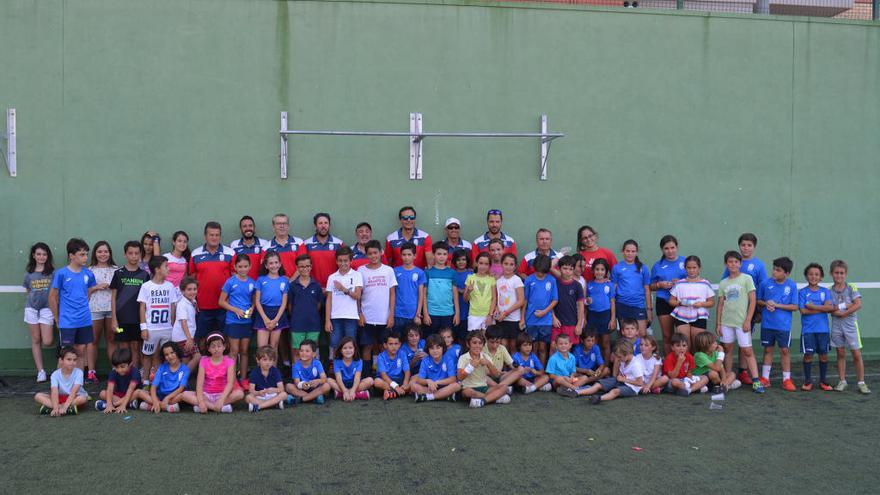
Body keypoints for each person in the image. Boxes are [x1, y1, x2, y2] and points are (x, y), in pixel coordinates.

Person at [722, 233, 768, 387]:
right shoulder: (729, 269)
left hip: (749, 310)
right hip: (730, 314)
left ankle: (744, 371)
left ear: (754, 247)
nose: (746, 247)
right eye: (743, 245)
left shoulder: (759, 265)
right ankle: (731, 374)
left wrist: (759, 309)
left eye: (749, 245)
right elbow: (724, 289)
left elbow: (761, 286)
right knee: (729, 345)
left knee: (745, 344)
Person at [716, 250, 763, 393]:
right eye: (730, 262)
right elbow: (720, 304)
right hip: (726, 323)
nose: (733, 264)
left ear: (740, 264)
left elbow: (753, 300)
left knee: (747, 350)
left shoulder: (746, 278)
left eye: (736, 262)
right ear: (726, 264)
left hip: (741, 323)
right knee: (727, 349)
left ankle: (756, 381)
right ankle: (728, 378)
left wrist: (748, 320)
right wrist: (718, 324)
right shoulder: (723, 282)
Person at [49, 238, 96, 372]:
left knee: (80, 351)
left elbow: (88, 293)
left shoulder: (88, 274)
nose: (85, 257)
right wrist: (57, 318)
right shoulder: (61, 274)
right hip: (67, 321)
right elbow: (52, 297)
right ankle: (60, 387)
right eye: (82, 254)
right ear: (71, 256)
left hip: (84, 320)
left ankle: (78, 384)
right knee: (66, 354)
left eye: (86, 254)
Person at [756, 257, 798, 391]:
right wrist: (766, 303)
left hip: (783, 326)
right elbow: (758, 301)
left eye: (778, 270)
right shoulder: (765, 283)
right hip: (767, 324)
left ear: (787, 273)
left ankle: (786, 379)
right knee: (768, 349)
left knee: (784, 350)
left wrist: (777, 305)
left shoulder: (791, 285)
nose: (774, 272)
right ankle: (765, 378)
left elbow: (794, 306)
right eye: (774, 269)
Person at [138, 255, 180, 390]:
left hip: (167, 328)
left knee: (164, 355)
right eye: (166, 266)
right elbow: (142, 307)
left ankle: (160, 379)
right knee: (147, 355)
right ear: (157, 269)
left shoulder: (170, 286)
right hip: (151, 328)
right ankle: (145, 381)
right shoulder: (146, 286)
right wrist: (143, 327)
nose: (169, 269)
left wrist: (173, 326)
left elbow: (173, 307)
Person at [189, 222, 234, 343]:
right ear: (205, 236)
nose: (214, 238)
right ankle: (203, 361)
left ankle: (226, 361)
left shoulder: (230, 253)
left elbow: (235, 279)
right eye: (211, 235)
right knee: (203, 338)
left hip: (225, 305)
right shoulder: (195, 254)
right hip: (203, 306)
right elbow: (192, 280)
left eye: (217, 235)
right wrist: (194, 300)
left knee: (225, 338)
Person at [828, 260, 869, 394]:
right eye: (836, 273)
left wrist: (845, 311)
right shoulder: (829, 291)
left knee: (856, 354)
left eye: (842, 273)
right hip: (836, 325)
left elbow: (857, 304)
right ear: (831, 274)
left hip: (850, 325)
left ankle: (861, 382)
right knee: (840, 353)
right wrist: (846, 305)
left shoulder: (852, 287)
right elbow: (829, 308)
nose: (839, 275)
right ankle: (842, 381)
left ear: (846, 274)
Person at [357, 240, 396, 376]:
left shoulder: (388, 270)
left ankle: (382, 375)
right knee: (367, 347)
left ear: (381, 253)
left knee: (383, 347)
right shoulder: (361, 270)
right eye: (370, 253)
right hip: (367, 317)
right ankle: (367, 376)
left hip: (384, 317)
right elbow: (358, 294)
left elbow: (392, 293)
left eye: (375, 253)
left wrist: (391, 315)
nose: (373, 256)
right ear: (366, 254)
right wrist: (359, 313)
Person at [110, 241, 151, 371]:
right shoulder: (118, 273)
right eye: (130, 253)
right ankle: (123, 371)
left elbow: (147, 300)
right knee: (123, 345)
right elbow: (113, 297)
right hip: (121, 320)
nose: (134, 256)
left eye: (136, 253)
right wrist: (114, 319)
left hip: (138, 319)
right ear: (125, 254)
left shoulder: (145, 275)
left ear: (140, 254)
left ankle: (135, 371)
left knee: (136, 345)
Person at [180, 333, 244, 413]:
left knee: (239, 393)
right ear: (208, 349)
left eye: (219, 346)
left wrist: (221, 399)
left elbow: (230, 383)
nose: (216, 349)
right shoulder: (204, 361)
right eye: (213, 346)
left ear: (224, 347)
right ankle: (216, 407)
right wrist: (201, 401)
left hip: (223, 394)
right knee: (184, 395)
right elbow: (199, 384)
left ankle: (209, 406)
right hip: (206, 395)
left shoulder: (229, 361)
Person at [218, 254, 256, 387]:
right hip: (233, 321)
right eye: (240, 266)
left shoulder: (253, 283)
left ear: (250, 267)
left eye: (245, 266)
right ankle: (232, 381)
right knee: (233, 352)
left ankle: (244, 379)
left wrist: (252, 308)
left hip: (246, 322)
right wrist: (236, 310)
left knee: (244, 351)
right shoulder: (230, 282)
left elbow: (254, 301)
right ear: (235, 267)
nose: (243, 269)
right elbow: (221, 302)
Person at [799, 263, 834, 392]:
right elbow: (803, 311)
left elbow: (830, 308)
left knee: (823, 356)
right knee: (808, 355)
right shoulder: (803, 292)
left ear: (821, 277)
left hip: (823, 330)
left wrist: (813, 306)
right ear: (806, 276)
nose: (813, 277)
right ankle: (808, 381)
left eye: (816, 274)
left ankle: (823, 381)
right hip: (808, 330)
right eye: (811, 274)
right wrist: (822, 308)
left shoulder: (825, 291)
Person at [668, 255, 715, 350]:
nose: (691, 270)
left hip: (699, 316)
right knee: (684, 344)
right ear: (685, 268)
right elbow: (671, 301)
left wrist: (701, 304)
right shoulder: (679, 284)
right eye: (689, 268)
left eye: (694, 267)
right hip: (681, 315)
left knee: (698, 344)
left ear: (699, 268)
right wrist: (680, 303)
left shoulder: (705, 284)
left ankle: (697, 364)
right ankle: (686, 364)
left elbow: (711, 302)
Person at [23, 242, 55, 382]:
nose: (42, 257)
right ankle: (40, 371)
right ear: (34, 256)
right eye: (39, 254)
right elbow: (28, 290)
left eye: (44, 254)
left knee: (47, 341)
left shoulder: (52, 273)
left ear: (48, 256)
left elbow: (55, 293)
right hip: (31, 308)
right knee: (36, 339)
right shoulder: (29, 274)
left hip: (47, 309)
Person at [650, 235, 686, 354]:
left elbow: (694, 279)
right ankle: (668, 364)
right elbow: (651, 286)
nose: (670, 251)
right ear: (662, 250)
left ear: (677, 247)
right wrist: (660, 285)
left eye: (672, 247)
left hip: (681, 302)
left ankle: (684, 365)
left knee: (683, 336)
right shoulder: (657, 265)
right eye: (666, 248)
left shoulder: (685, 262)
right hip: (663, 301)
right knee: (667, 336)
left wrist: (681, 282)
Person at [325, 246, 363, 359]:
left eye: (345, 260)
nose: (343, 263)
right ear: (336, 261)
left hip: (351, 317)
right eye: (340, 261)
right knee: (335, 343)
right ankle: (335, 367)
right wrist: (327, 320)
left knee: (350, 345)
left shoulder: (357, 275)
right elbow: (329, 299)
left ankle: (351, 368)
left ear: (351, 261)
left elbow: (357, 296)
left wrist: (344, 289)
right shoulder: (332, 277)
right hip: (335, 317)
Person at [87, 240, 117, 382]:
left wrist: (113, 288)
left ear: (110, 253)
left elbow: (120, 291)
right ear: (95, 253)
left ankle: (115, 370)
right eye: (99, 251)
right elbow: (84, 292)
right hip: (94, 309)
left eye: (105, 251)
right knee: (93, 341)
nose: (103, 254)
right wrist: (96, 287)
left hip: (112, 310)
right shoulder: (89, 270)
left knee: (112, 339)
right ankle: (91, 371)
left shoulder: (116, 270)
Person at [457, 330, 511, 408]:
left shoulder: (485, 356)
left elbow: (496, 375)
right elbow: (459, 377)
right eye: (474, 343)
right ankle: (494, 398)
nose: (477, 346)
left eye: (480, 343)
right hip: (468, 388)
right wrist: (470, 367)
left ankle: (482, 401)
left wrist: (488, 364)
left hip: (484, 387)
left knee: (504, 387)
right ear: (468, 344)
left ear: (483, 345)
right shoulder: (463, 357)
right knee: (470, 393)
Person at [582, 340, 644, 405]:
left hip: (632, 388)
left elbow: (640, 383)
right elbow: (615, 375)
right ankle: (578, 392)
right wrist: (617, 362)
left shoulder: (636, 365)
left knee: (615, 391)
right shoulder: (623, 360)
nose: (618, 358)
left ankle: (599, 398)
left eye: (619, 357)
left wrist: (624, 379)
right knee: (599, 384)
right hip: (621, 381)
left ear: (627, 354)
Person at [611, 239, 651, 337]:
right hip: (622, 305)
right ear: (623, 251)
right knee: (625, 336)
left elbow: (647, 290)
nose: (630, 254)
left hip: (638, 305)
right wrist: (612, 310)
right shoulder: (617, 268)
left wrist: (649, 309)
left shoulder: (643, 268)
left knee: (642, 334)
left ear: (636, 252)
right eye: (627, 251)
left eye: (633, 251)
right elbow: (613, 289)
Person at [289, 254, 323, 364]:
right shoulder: (293, 286)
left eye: (307, 266)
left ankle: (311, 376)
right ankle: (297, 377)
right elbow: (290, 306)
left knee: (311, 351)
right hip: (297, 324)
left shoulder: (316, 285)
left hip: (313, 324)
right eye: (302, 267)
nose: (305, 269)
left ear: (311, 266)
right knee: (297, 351)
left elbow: (318, 304)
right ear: (297, 268)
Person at [523, 254, 557, 364]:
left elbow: (555, 300)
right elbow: (525, 300)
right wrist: (522, 318)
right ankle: (533, 369)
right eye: (538, 271)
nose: (540, 273)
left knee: (542, 347)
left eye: (543, 272)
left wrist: (544, 312)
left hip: (546, 320)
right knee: (533, 347)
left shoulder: (551, 280)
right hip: (531, 320)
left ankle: (541, 370)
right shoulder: (529, 280)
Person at [34, 346, 88, 416]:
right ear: (61, 360)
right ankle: (63, 408)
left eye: (74, 360)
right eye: (69, 359)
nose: (72, 362)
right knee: (38, 396)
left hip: (75, 397)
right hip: (60, 398)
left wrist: (65, 407)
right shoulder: (55, 374)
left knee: (83, 399)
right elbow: (54, 391)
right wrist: (56, 408)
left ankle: (53, 407)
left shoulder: (79, 372)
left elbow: (74, 392)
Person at [254, 251, 289, 352]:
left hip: (278, 313)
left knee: (274, 347)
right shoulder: (261, 280)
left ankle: (273, 368)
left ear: (280, 263)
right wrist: (265, 319)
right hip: (263, 313)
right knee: (262, 348)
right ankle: (262, 368)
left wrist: (276, 320)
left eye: (276, 262)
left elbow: (284, 303)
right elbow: (257, 301)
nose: (274, 265)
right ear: (266, 265)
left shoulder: (284, 280)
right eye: (271, 263)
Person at [423, 242, 459, 337]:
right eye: (439, 254)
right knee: (432, 340)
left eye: (444, 254)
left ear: (448, 255)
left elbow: (455, 296)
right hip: (432, 313)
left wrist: (457, 313)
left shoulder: (452, 273)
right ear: (434, 255)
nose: (442, 257)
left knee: (446, 341)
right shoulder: (427, 273)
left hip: (448, 313)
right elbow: (424, 295)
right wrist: (425, 314)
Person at [300, 212, 345, 289]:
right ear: (315, 226)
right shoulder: (306, 244)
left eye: (326, 223)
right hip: (312, 287)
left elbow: (343, 266)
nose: (323, 226)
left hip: (334, 287)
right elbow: (303, 266)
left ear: (329, 225)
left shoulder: (339, 243)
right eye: (320, 223)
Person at [142, 342, 190, 413]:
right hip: (160, 397)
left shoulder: (185, 369)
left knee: (183, 395)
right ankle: (165, 406)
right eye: (166, 355)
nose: (170, 356)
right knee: (139, 392)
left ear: (177, 352)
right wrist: (155, 402)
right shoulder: (162, 367)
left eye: (172, 353)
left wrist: (167, 398)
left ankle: (152, 405)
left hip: (174, 397)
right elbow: (153, 387)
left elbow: (181, 388)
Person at [413, 334, 461, 402]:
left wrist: (437, 382)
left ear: (443, 348)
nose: (435, 351)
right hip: (430, 387)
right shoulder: (425, 360)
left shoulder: (448, 359)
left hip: (444, 385)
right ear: (428, 349)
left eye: (438, 348)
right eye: (432, 348)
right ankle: (444, 395)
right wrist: (428, 381)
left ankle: (429, 397)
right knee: (413, 386)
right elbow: (420, 380)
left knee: (457, 385)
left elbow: (452, 379)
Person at [552, 255, 585, 353]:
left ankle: (568, 369)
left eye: (571, 269)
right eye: (565, 268)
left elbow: (581, 306)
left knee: (568, 350)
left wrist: (579, 324)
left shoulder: (577, 286)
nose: (567, 271)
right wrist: (553, 317)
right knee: (553, 348)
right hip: (557, 323)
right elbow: (550, 303)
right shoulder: (555, 284)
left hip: (571, 323)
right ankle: (551, 369)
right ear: (559, 268)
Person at [585, 258, 615, 365]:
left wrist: (612, 319)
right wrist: (587, 302)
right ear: (593, 270)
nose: (599, 272)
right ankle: (595, 366)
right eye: (597, 269)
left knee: (605, 343)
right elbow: (585, 302)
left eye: (602, 269)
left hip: (605, 316)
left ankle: (605, 366)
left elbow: (612, 302)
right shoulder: (589, 285)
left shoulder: (609, 285)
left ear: (606, 271)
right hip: (593, 316)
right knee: (594, 343)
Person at [392, 243, 426, 335]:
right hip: (398, 313)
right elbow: (392, 293)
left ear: (414, 256)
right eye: (404, 255)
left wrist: (418, 314)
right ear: (401, 256)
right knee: (397, 339)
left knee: (412, 340)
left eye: (409, 255)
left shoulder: (420, 273)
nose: (406, 257)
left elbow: (421, 295)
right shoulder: (395, 271)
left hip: (413, 313)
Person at [494, 253, 525, 354]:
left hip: (513, 319)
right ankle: (503, 368)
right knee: (503, 345)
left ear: (515, 266)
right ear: (501, 264)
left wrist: (506, 312)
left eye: (511, 264)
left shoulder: (517, 280)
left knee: (513, 345)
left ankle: (514, 367)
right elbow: (497, 298)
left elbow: (521, 301)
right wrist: (497, 310)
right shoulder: (498, 280)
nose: (508, 266)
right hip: (501, 319)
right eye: (506, 263)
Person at [95, 347, 142, 413]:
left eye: (122, 367)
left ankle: (115, 405)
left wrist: (123, 405)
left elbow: (130, 390)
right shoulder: (113, 372)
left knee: (137, 392)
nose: (119, 370)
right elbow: (110, 389)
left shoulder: (135, 372)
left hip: (132, 395)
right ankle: (129, 404)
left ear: (131, 364)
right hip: (120, 395)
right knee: (102, 393)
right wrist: (109, 404)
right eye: (116, 367)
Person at [285, 339, 331, 404]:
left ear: (314, 354)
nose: (304, 353)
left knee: (327, 386)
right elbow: (296, 382)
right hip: (302, 389)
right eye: (301, 351)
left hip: (315, 388)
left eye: (307, 351)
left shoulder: (317, 363)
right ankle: (314, 397)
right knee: (288, 386)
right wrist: (302, 385)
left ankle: (302, 399)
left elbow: (324, 378)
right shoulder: (296, 365)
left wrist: (318, 381)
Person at [171, 277, 201, 371]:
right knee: (197, 356)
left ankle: (182, 380)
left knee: (185, 358)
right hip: (183, 337)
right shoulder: (182, 304)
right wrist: (189, 338)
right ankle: (183, 377)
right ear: (182, 291)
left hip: (186, 336)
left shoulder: (192, 301)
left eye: (194, 289)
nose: (193, 292)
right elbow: (183, 321)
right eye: (189, 289)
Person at [245, 346, 288, 412]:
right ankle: (274, 404)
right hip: (260, 396)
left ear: (273, 361)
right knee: (248, 397)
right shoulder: (254, 372)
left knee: (284, 394)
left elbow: (281, 389)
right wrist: (258, 393)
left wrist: (274, 389)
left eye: (270, 360)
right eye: (265, 359)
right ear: (258, 360)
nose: (268, 362)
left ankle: (259, 406)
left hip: (273, 395)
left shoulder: (275, 371)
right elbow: (251, 390)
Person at [483, 325, 526, 389]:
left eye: (497, 342)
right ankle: (502, 388)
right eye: (492, 342)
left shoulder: (502, 348)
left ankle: (499, 387)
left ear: (501, 340)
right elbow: (480, 371)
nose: (494, 345)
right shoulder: (481, 349)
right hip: (486, 377)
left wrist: (517, 368)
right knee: (481, 377)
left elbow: (511, 364)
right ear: (486, 339)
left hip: (500, 377)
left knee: (520, 370)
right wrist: (495, 372)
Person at [373, 332, 411, 400]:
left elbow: (407, 371)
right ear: (385, 345)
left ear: (400, 344)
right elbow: (383, 375)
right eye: (390, 344)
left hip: (400, 381)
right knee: (377, 382)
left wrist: (405, 383)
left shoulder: (402, 354)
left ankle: (391, 393)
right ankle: (396, 391)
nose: (394, 346)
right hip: (387, 381)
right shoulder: (381, 356)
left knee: (412, 382)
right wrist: (396, 387)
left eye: (396, 344)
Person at [464, 252, 496, 332]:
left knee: (487, 340)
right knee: (474, 339)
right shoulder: (470, 278)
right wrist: (468, 291)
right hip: (474, 315)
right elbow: (465, 299)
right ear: (476, 263)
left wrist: (490, 315)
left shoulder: (491, 279)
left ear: (489, 266)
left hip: (487, 315)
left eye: (486, 264)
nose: (483, 266)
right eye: (481, 263)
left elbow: (494, 298)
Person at [230, 215, 270, 280]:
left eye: (250, 226)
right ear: (241, 229)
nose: (248, 228)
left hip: (261, 285)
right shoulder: (234, 245)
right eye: (244, 226)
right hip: (243, 286)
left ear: (254, 227)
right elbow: (232, 270)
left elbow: (269, 266)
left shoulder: (264, 244)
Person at [451, 250, 473, 341]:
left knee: (465, 337)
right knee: (453, 336)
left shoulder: (471, 274)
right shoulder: (451, 273)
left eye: (463, 259)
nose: (461, 262)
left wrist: (460, 290)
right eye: (458, 260)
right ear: (454, 261)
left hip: (466, 308)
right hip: (453, 308)